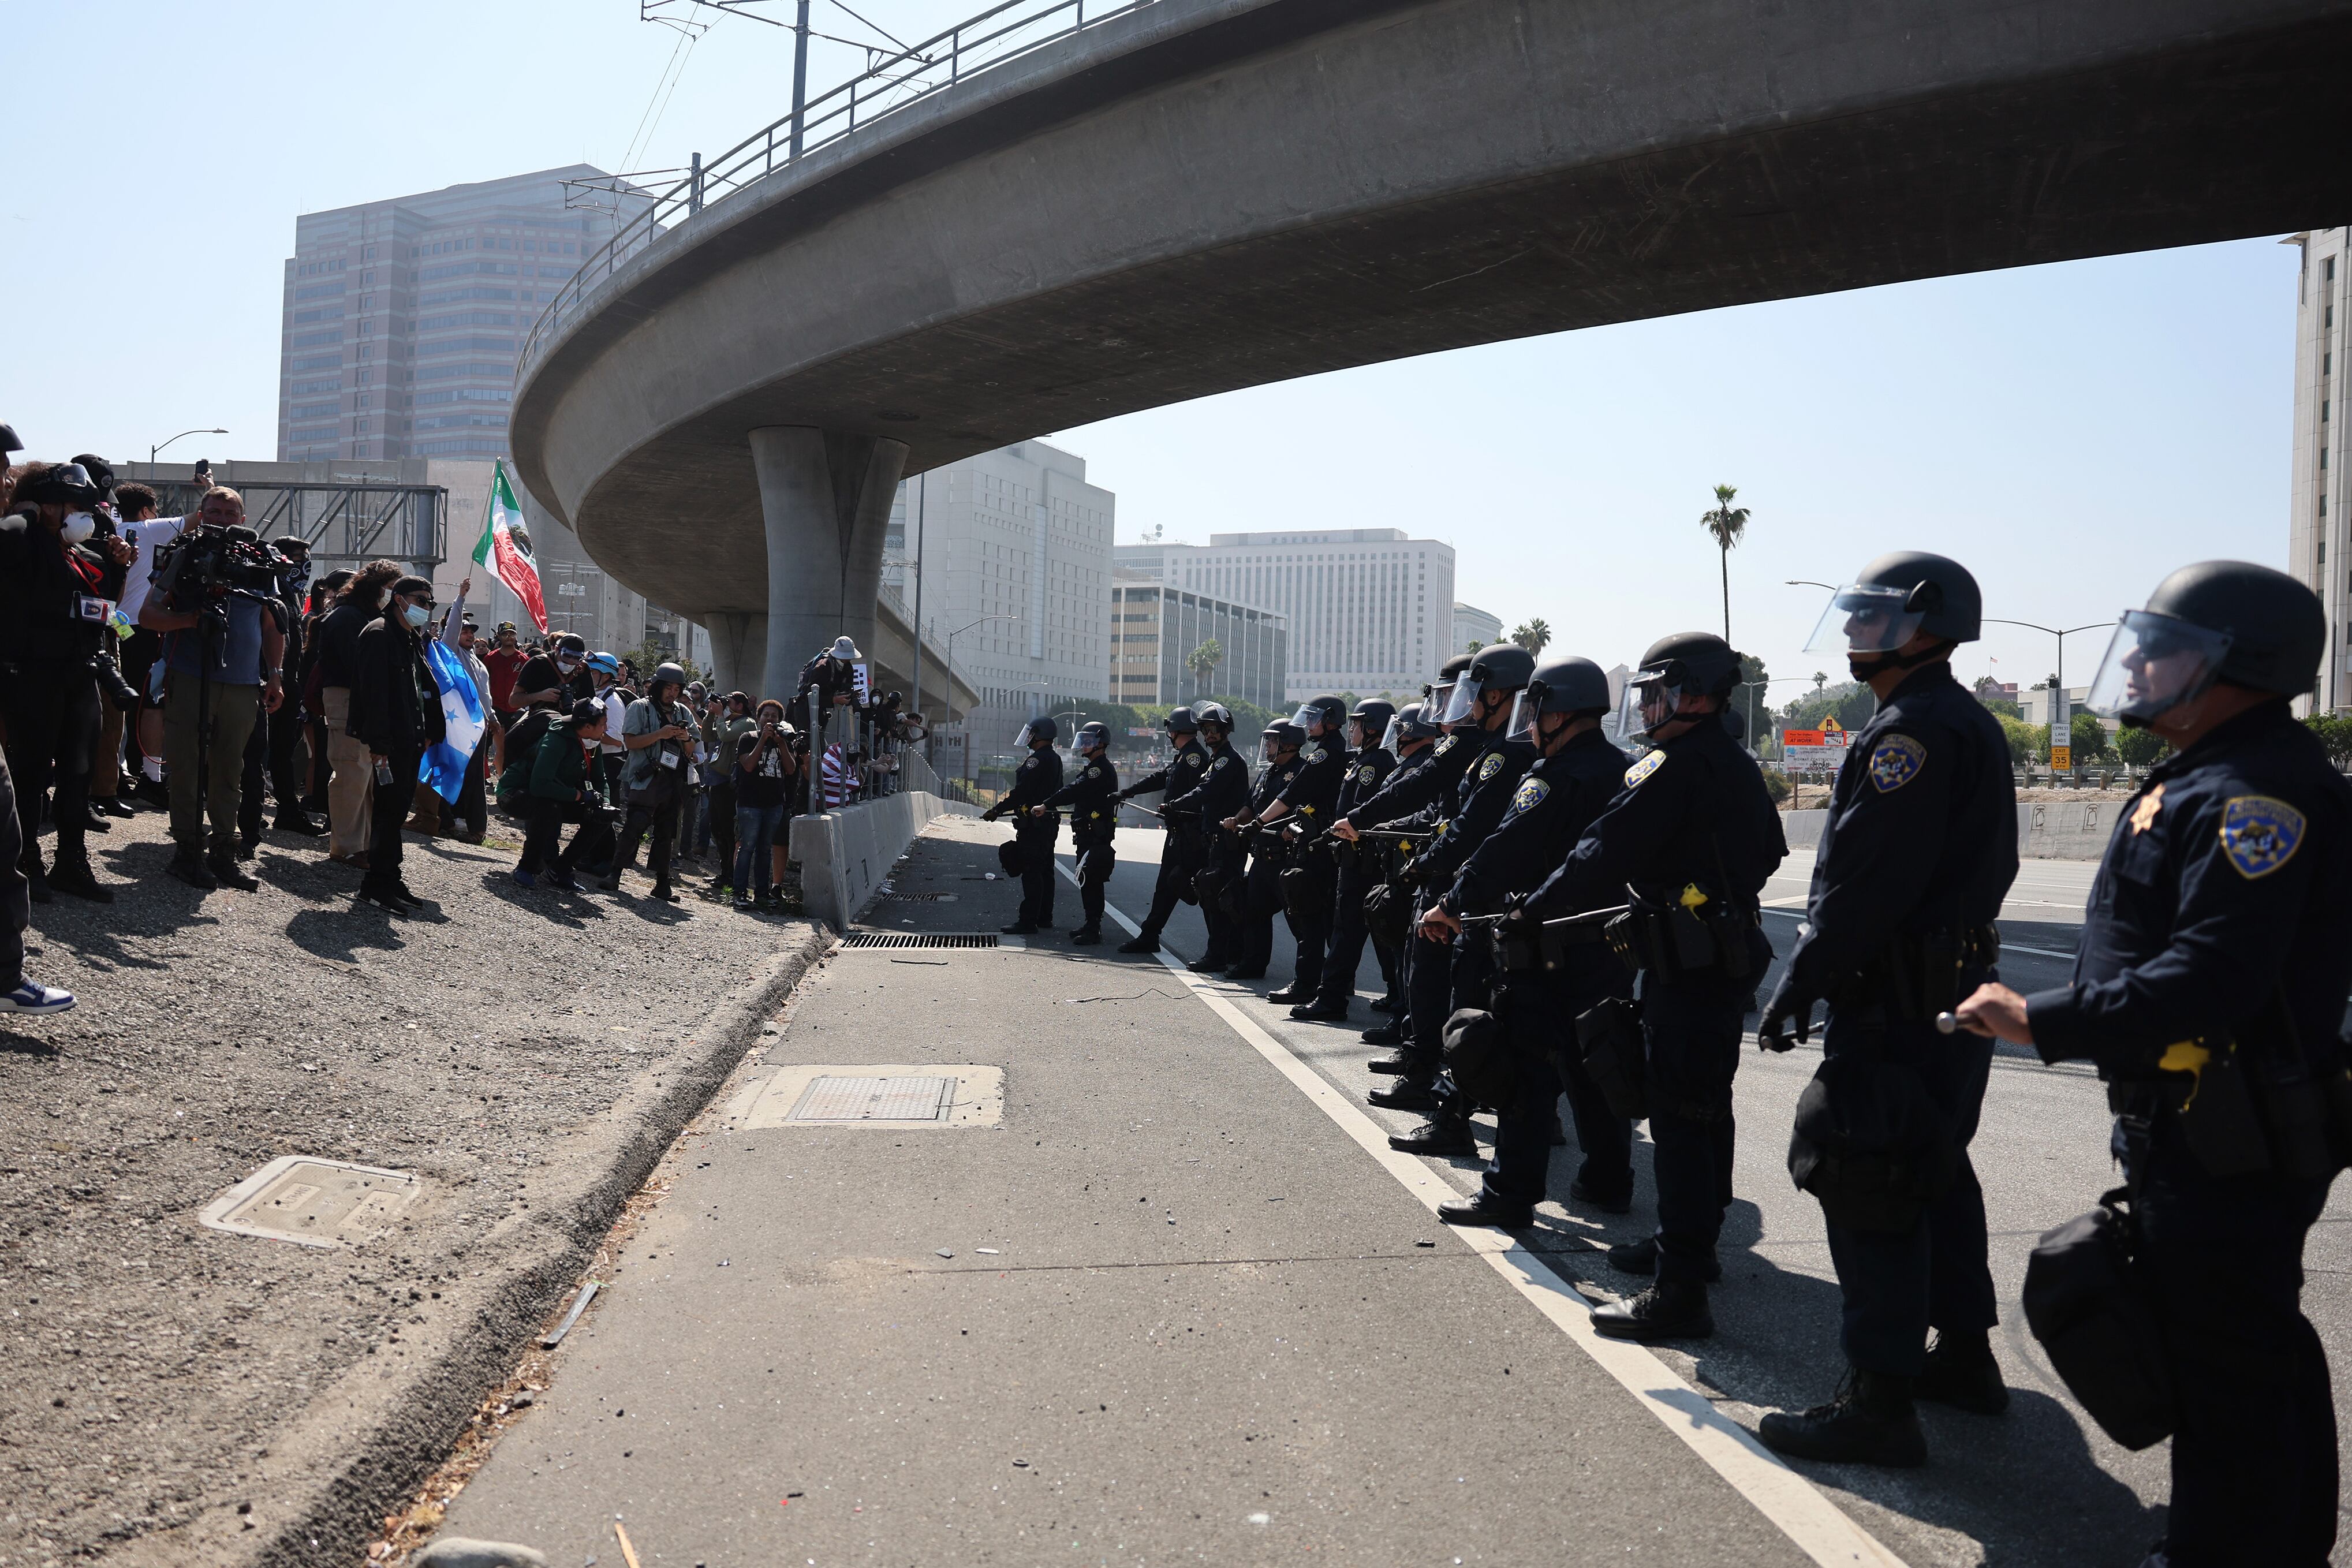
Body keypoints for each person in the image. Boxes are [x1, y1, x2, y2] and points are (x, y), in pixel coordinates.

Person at [1955, 561, 2350, 1566]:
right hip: (2201, 1119)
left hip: (2231, 1130)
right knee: (2252, 1347)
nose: (2133, 661)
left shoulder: (2252, 791)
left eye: (2159, 644)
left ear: (2236, 663)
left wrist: (2034, 1018)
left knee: (2221, 1369)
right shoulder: (2208, 770)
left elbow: (2207, 978)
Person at [1751, 554, 2017, 1467]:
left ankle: (1879, 1402)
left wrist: (1802, 979)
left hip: (1898, 1001)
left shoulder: (1911, 732)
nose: (1855, 632)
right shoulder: (1954, 721)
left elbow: (1866, 884)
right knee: (1932, 1167)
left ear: (1925, 623)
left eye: (1871, 618)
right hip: (1944, 989)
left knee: (1870, 1179)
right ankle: (1966, 1357)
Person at [1520, 631, 1787, 1342]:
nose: (1645, 704)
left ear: (1692, 693)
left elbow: (1599, 850)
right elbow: (1769, 853)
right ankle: (1689, 1243)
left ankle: (1681, 1291)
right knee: (1707, 1108)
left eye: (1656, 689)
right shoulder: (1735, 761)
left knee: (1677, 1116)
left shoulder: (1667, 764)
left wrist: (1530, 908)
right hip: (1723, 957)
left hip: (1686, 963)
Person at [1429, 658, 1633, 1225]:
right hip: (1612, 944)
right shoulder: (1625, 769)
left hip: (1546, 944)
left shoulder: (1550, 777)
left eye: (1538, 711)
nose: (1532, 724)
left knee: (1527, 1068)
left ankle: (1511, 1193)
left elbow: (1504, 846)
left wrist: (1452, 902)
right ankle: (1609, 1178)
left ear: (1560, 712)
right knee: (1598, 1061)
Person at [140, 487, 285, 893]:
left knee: (230, 770)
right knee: (186, 765)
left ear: (242, 519)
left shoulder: (260, 560)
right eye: (214, 511)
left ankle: (223, 851)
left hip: (243, 683)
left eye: (229, 512)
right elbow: (149, 615)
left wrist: (275, 675)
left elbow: (273, 624)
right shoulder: (184, 554)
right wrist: (190, 619)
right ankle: (186, 850)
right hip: (190, 676)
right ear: (201, 515)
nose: (221, 518)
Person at [1, 462, 130, 902]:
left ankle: (71, 862)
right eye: (68, 506)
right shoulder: (23, 542)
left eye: (81, 507)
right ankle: (25, 860)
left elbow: (105, 609)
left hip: (81, 676)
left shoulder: (87, 557)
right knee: (32, 773)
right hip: (34, 675)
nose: (79, 515)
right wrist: (31, 511)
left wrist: (119, 568)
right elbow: (8, 537)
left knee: (78, 774)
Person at [348, 576, 446, 914]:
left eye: (430, 602)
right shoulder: (378, 633)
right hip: (389, 742)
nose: (426, 607)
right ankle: (374, 884)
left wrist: (431, 729)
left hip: (410, 738)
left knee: (398, 808)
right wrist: (379, 743)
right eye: (421, 600)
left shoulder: (409, 637)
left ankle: (390, 876)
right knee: (388, 813)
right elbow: (373, 695)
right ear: (399, 598)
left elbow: (423, 688)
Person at [1249, 697, 1348, 1003]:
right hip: (1323, 841)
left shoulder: (1323, 755)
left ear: (1330, 721)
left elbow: (1293, 794)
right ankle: (1333, 982)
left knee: (1309, 919)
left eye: (1314, 719)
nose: (1308, 725)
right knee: (1322, 918)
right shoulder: (1336, 751)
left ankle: (1306, 985)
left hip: (1317, 847)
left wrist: (1259, 821)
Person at [310, 559, 403, 867]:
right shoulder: (348, 617)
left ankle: (361, 845)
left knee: (364, 776)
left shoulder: (363, 615)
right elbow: (357, 666)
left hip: (362, 702)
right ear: (375, 587)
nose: (393, 595)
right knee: (351, 773)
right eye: (390, 588)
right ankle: (346, 848)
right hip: (347, 700)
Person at [1160, 704, 1250, 970]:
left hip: (1226, 840)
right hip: (1213, 839)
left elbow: (1205, 790)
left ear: (1225, 731)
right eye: (1206, 730)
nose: (1209, 735)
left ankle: (1219, 955)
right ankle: (1228, 952)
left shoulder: (1227, 760)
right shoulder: (1216, 760)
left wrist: (1175, 804)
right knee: (1213, 897)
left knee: (1222, 899)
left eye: (1214, 730)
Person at [1114, 707, 1210, 954]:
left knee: (1203, 890)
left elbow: (1199, 795)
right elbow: (1159, 778)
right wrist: (1128, 791)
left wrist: (1175, 808)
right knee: (1167, 886)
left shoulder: (1194, 758)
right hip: (1179, 834)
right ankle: (1150, 935)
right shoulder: (1183, 757)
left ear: (1175, 731)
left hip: (1191, 836)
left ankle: (1225, 945)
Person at [110, 480, 181, 810]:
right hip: (142, 626)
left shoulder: (109, 529)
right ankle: (150, 777)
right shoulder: (148, 529)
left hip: (113, 625)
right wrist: (207, 484)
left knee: (117, 700)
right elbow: (200, 519)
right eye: (154, 509)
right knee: (151, 701)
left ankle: (118, 771)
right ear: (145, 510)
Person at [603, 662, 698, 901]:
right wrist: (661, 734)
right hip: (646, 777)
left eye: (677, 689)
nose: (672, 693)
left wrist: (685, 737)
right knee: (635, 825)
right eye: (668, 688)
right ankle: (615, 874)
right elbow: (631, 743)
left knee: (667, 833)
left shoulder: (683, 712)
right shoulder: (640, 707)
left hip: (674, 780)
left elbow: (691, 750)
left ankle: (662, 884)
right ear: (657, 686)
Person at [1223, 722, 1308, 980]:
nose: (1267, 747)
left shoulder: (1303, 772)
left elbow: (1301, 811)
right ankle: (1253, 964)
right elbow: (1251, 805)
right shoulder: (1267, 773)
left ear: (1288, 743)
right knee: (1254, 914)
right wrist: (1237, 819)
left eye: (1272, 742)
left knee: (1299, 921)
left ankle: (1310, 975)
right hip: (1261, 858)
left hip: (1287, 859)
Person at [508, 698, 615, 891]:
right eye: (603, 724)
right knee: (549, 808)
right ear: (588, 726)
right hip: (515, 794)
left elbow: (600, 780)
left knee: (601, 818)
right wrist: (580, 796)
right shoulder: (557, 739)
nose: (606, 728)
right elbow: (540, 786)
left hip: (556, 796)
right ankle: (525, 867)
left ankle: (560, 870)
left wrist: (604, 803)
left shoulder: (592, 743)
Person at [985, 718, 1063, 934]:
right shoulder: (1055, 758)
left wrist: (998, 809)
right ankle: (1044, 916)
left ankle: (1028, 921)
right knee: (1046, 870)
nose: (1029, 738)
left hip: (1034, 825)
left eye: (1032, 734)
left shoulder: (1035, 760)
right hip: (1048, 823)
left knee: (1031, 871)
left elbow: (1021, 793)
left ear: (1038, 735)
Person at [1043, 720, 1119, 944]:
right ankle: (1090, 924)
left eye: (1089, 742)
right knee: (1087, 880)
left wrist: (1047, 804)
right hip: (1088, 834)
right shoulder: (1095, 768)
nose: (1084, 746)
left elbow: (1073, 790)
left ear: (1101, 744)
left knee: (1092, 880)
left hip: (1095, 835)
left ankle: (1093, 928)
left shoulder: (1099, 769)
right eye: (1083, 741)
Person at [732, 701, 798, 910]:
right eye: (766, 716)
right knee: (747, 848)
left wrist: (781, 744)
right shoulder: (748, 738)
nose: (770, 720)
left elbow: (791, 769)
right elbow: (749, 765)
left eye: (774, 717)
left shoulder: (784, 742)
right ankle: (739, 893)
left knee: (764, 850)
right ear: (759, 718)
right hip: (750, 804)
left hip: (774, 805)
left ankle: (761, 893)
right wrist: (763, 739)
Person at [794, 634, 868, 742]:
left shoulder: (848, 668)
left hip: (821, 710)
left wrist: (850, 694)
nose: (849, 658)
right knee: (806, 744)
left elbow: (846, 686)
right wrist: (833, 700)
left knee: (819, 744)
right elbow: (808, 695)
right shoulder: (823, 667)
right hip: (805, 709)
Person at [481, 620, 528, 731]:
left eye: (512, 634)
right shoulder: (490, 658)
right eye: (505, 634)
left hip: (517, 709)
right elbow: (483, 683)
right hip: (495, 708)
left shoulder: (524, 660)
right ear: (498, 636)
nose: (508, 637)